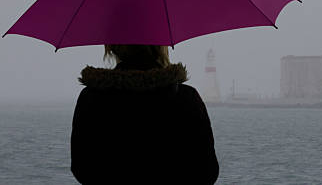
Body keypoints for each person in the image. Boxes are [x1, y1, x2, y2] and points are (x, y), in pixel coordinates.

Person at [71, 44, 219, 184]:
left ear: (111, 47)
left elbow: (82, 168)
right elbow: (207, 172)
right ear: (161, 47)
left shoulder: (90, 98)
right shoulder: (187, 97)